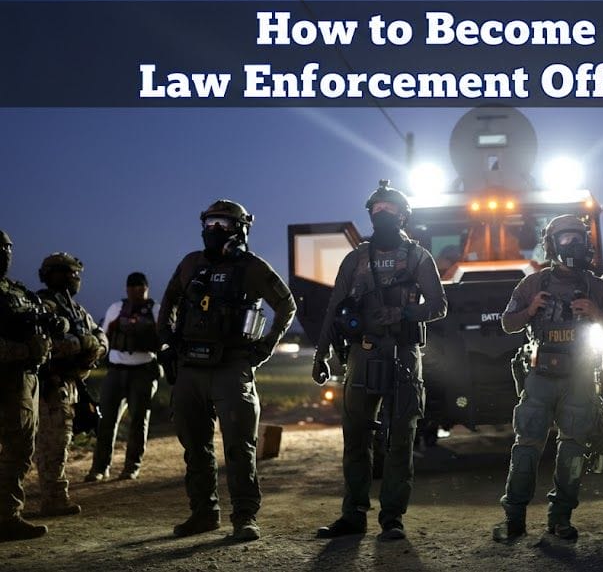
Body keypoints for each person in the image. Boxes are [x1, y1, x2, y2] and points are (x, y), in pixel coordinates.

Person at [313, 180, 447, 542]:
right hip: (363, 353)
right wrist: (321, 353)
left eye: (389, 209)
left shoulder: (418, 256)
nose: (381, 214)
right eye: (376, 209)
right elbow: (334, 309)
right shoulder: (355, 258)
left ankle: (392, 518)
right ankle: (353, 514)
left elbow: (438, 305)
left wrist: (403, 312)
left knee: (400, 439)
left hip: (403, 355)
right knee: (355, 436)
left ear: (404, 215)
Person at [157, 199, 295, 542]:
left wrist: (264, 348)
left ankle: (245, 517)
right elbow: (170, 300)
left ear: (240, 229)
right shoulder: (191, 263)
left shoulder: (251, 267)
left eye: (222, 224)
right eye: (210, 223)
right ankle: (203, 513)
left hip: (231, 366)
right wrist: (167, 343)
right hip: (190, 366)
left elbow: (285, 305)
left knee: (239, 447)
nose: (214, 230)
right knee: (195, 446)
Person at [491, 214, 603, 542]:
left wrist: (596, 313)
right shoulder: (533, 284)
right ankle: (514, 518)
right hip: (540, 376)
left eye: (577, 237)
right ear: (551, 244)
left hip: (580, 376)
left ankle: (560, 518)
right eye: (564, 238)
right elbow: (507, 323)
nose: (572, 244)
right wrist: (530, 309)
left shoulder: (598, 287)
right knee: (527, 446)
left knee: (573, 448)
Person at [35, 252, 108, 517]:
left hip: (71, 384)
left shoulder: (75, 309)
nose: (74, 278)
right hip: (49, 385)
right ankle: (53, 499)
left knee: (60, 440)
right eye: (68, 273)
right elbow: (42, 346)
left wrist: (93, 346)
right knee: (51, 443)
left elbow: (100, 337)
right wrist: (79, 344)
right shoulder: (42, 306)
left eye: (76, 274)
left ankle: (54, 496)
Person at [0, 231, 58, 541]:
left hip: (21, 380)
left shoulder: (17, 290)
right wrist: (24, 350)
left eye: (7, 248)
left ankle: (7, 516)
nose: (5, 254)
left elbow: (41, 319)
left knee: (20, 447)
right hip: (12, 371)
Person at [85, 272, 161, 482]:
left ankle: (131, 468)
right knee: (106, 421)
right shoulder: (116, 308)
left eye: (141, 288)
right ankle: (100, 468)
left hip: (143, 370)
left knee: (139, 422)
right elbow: (103, 337)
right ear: (127, 289)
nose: (138, 292)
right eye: (134, 288)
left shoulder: (155, 310)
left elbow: (163, 340)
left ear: (147, 289)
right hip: (117, 371)